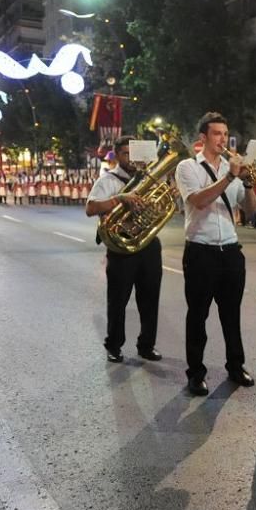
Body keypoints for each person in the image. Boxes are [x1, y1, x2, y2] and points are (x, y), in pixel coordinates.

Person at [175, 111, 256, 396]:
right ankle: (195, 373)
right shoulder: (187, 167)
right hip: (200, 251)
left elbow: (250, 210)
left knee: (231, 315)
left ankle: (236, 366)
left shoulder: (231, 170)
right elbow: (199, 201)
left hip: (231, 251)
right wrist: (229, 177)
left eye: (225, 134)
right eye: (216, 134)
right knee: (197, 315)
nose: (223, 139)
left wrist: (246, 183)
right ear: (203, 138)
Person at [85, 135, 163, 363]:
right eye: (127, 153)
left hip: (148, 244)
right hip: (121, 245)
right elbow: (90, 208)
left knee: (150, 299)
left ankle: (147, 345)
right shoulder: (109, 180)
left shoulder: (150, 179)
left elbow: (161, 207)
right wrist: (119, 199)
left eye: (135, 153)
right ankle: (114, 345)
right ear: (118, 155)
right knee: (118, 300)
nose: (132, 158)